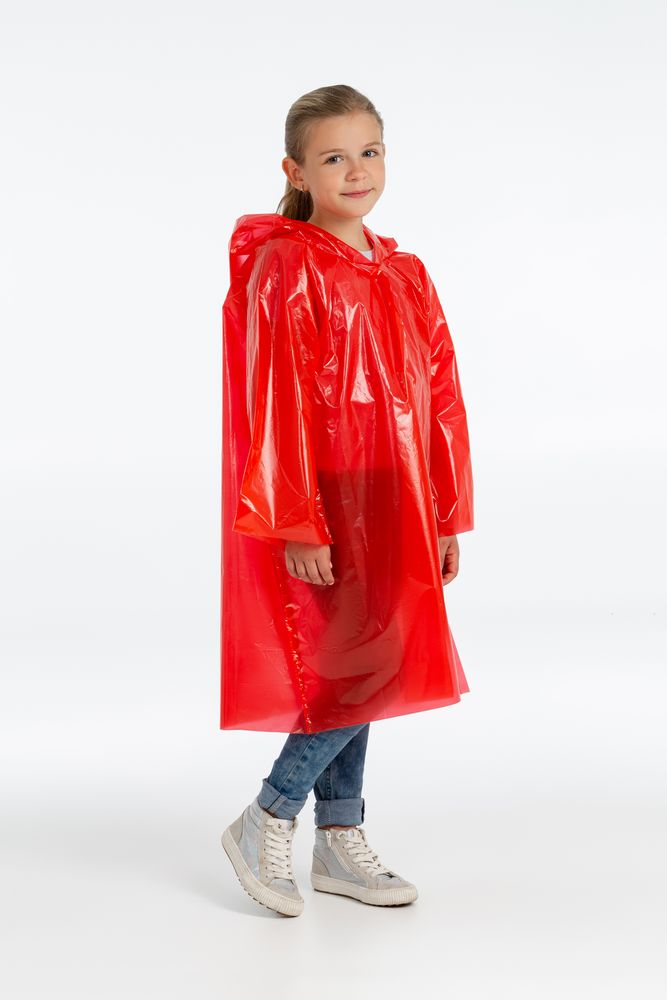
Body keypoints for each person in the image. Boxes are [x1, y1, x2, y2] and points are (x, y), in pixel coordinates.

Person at [220, 84, 474, 917]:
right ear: (296, 171)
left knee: (367, 661)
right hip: (326, 492)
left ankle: (338, 835)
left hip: (394, 491)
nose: (356, 170)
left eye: (369, 152)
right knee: (353, 668)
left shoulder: (405, 272)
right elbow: (274, 399)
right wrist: (295, 517)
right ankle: (269, 813)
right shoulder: (287, 266)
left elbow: (440, 396)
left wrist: (443, 511)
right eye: (334, 157)